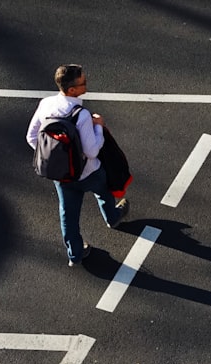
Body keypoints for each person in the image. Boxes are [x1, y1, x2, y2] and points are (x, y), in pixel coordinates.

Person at [26, 64, 129, 267]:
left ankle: (75, 254)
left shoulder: (45, 104)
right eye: (83, 83)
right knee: (104, 191)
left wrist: (56, 159)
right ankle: (112, 218)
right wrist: (98, 127)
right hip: (88, 172)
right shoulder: (80, 115)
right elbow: (92, 151)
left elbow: (31, 137)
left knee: (68, 214)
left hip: (62, 176)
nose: (87, 86)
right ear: (72, 90)